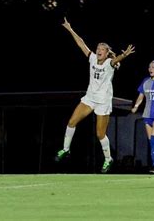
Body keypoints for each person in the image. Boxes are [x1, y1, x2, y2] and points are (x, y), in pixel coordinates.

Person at [55, 17, 135, 173]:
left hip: (103, 101)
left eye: (102, 49)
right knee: (71, 122)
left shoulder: (109, 63)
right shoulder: (92, 58)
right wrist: (70, 29)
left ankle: (108, 159)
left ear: (106, 53)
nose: (98, 50)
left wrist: (124, 55)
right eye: (98, 48)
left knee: (100, 134)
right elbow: (81, 43)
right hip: (90, 98)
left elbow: (116, 60)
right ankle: (65, 149)